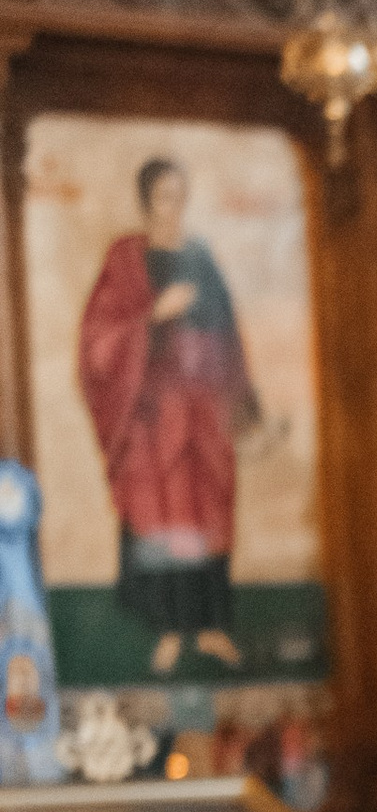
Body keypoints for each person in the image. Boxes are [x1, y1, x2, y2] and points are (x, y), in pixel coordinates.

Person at [76, 157, 259, 675]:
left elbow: (228, 335)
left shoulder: (200, 254)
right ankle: (170, 632)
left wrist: (241, 405)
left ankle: (212, 627)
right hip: (155, 415)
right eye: (163, 197)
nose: (173, 207)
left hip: (205, 413)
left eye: (180, 195)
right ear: (145, 202)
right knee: (167, 519)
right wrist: (155, 314)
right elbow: (98, 342)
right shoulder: (127, 257)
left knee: (209, 515)